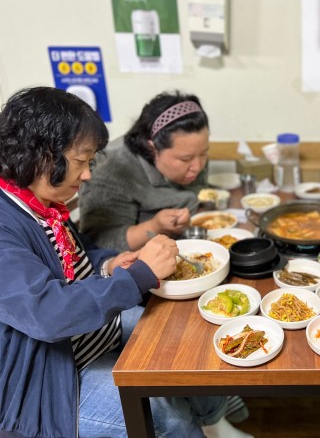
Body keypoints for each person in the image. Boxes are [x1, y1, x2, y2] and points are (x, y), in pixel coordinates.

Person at [0, 87, 252, 438]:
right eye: (81, 160)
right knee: (167, 416)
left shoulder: (42, 206)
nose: (87, 174)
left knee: (187, 331)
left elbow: (81, 255)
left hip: (88, 334)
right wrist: (137, 277)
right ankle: (197, 426)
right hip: (50, 380)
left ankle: (213, 424)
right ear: (43, 155)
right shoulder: (5, 224)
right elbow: (46, 313)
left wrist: (112, 264)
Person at [79, 91, 210, 252]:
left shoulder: (192, 150)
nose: (198, 166)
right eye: (185, 159)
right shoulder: (112, 170)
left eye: (204, 153)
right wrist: (155, 226)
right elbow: (100, 242)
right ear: (152, 147)